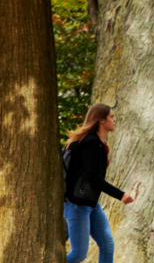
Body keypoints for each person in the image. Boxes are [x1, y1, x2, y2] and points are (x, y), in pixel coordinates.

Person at [62, 104, 135, 263]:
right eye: (112, 117)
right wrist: (120, 194)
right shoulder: (91, 143)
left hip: (90, 202)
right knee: (78, 254)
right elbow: (92, 176)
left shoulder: (97, 143)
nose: (115, 120)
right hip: (77, 204)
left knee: (107, 245)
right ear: (101, 120)